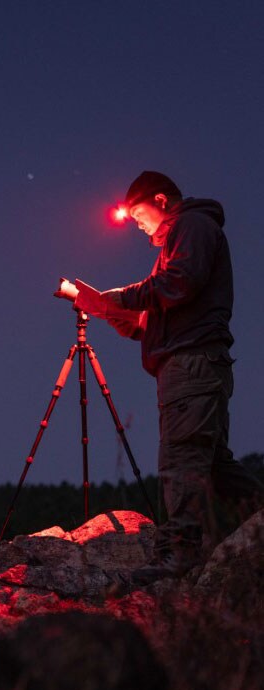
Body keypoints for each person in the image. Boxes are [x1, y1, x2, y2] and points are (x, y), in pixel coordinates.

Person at [72, 171, 263, 585]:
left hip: (192, 365)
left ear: (160, 200)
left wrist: (119, 297)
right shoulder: (185, 233)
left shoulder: (191, 225)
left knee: (181, 458)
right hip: (198, 363)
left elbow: (178, 283)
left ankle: (178, 554)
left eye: (138, 215)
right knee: (213, 463)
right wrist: (107, 310)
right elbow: (155, 318)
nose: (138, 225)